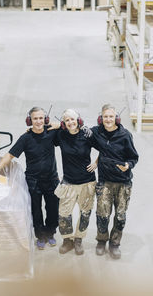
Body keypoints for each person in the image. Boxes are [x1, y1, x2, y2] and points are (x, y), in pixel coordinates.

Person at [0, 107, 59, 250]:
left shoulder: (52, 133)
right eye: (35, 118)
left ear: (46, 119)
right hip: (33, 181)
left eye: (41, 118)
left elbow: (71, 129)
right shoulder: (25, 138)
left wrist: (59, 125)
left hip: (51, 179)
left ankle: (50, 233)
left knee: (53, 209)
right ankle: (40, 236)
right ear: (29, 120)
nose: (38, 121)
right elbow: (10, 155)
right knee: (35, 211)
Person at [91, 104, 139, 259]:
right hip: (105, 181)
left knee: (120, 216)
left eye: (111, 116)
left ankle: (114, 244)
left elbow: (133, 157)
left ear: (116, 118)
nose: (108, 119)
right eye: (105, 116)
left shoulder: (125, 135)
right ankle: (101, 241)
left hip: (123, 183)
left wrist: (128, 165)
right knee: (102, 215)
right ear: (101, 119)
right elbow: (78, 131)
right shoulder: (96, 132)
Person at [52, 109, 98, 255]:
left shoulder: (87, 135)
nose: (70, 122)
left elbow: (105, 147)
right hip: (68, 182)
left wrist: (96, 162)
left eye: (72, 119)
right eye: (67, 120)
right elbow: (42, 131)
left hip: (87, 182)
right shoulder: (60, 135)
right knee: (64, 214)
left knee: (85, 213)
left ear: (78, 120)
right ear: (63, 123)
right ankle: (67, 240)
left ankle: (78, 240)